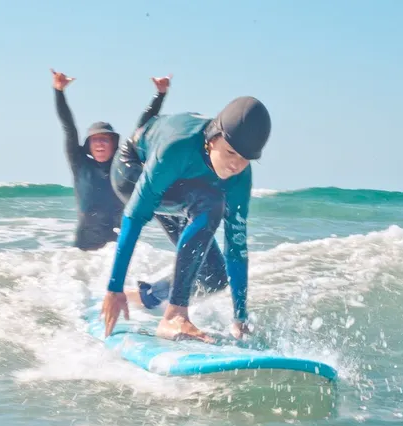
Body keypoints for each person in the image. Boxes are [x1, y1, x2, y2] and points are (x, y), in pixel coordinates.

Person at [99, 95, 272, 343]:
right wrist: (113, 289)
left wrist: (240, 318)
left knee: (214, 276)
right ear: (213, 138)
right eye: (230, 153)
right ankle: (174, 315)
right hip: (132, 168)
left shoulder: (240, 176)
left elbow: (236, 247)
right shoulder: (177, 147)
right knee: (211, 202)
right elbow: (134, 217)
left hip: (185, 182)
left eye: (245, 159)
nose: (236, 165)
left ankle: (145, 297)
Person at [51, 68, 171, 251]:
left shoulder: (122, 162)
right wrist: (59, 91)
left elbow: (142, 127)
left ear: (114, 144)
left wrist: (160, 94)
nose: (100, 143)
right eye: (95, 139)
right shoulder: (80, 164)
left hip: (116, 245)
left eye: (105, 139)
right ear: (88, 145)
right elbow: (69, 127)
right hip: (83, 250)